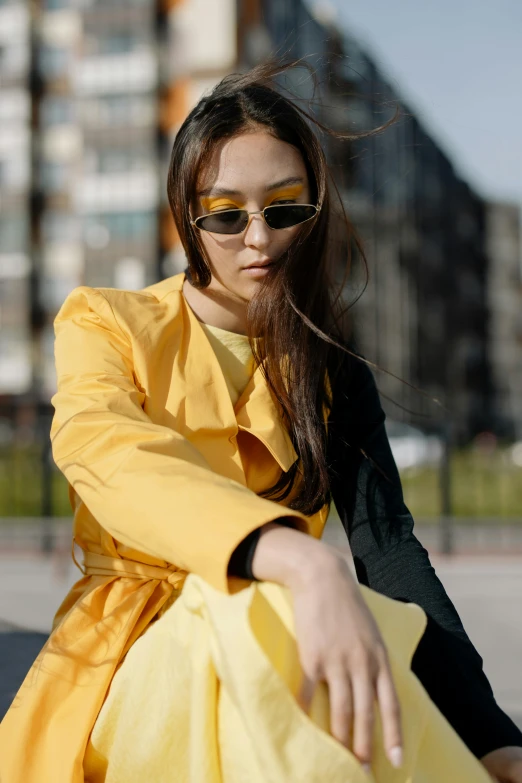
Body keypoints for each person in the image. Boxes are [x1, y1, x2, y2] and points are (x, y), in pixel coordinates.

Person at [1, 60, 521, 783]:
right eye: (224, 212)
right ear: (186, 214)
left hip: (284, 639)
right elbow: (108, 451)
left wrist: (490, 732)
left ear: (315, 210)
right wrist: (295, 558)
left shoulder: (333, 373)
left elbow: (393, 553)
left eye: (284, 209)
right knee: (263, 615)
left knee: (349, 653)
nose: (257, 238)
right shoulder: (108, 324)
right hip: (130, 654)